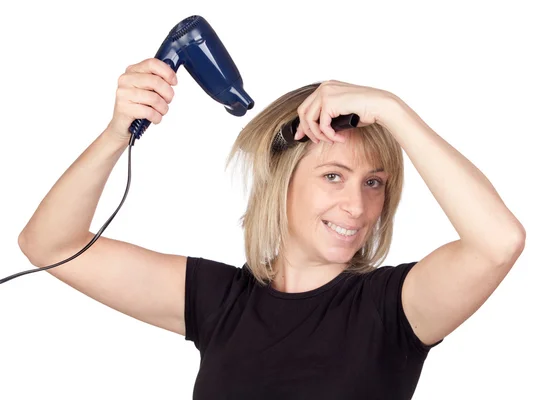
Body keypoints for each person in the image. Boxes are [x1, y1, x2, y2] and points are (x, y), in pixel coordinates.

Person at [17, 58, 526, 399]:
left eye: (374, 183)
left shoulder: (394, 309)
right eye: (333, 176)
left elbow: (498, 243)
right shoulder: (219, 301)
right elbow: (49, 244)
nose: (357, 205)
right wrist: (116, 133)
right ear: (281, 184)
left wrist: (393, 112)